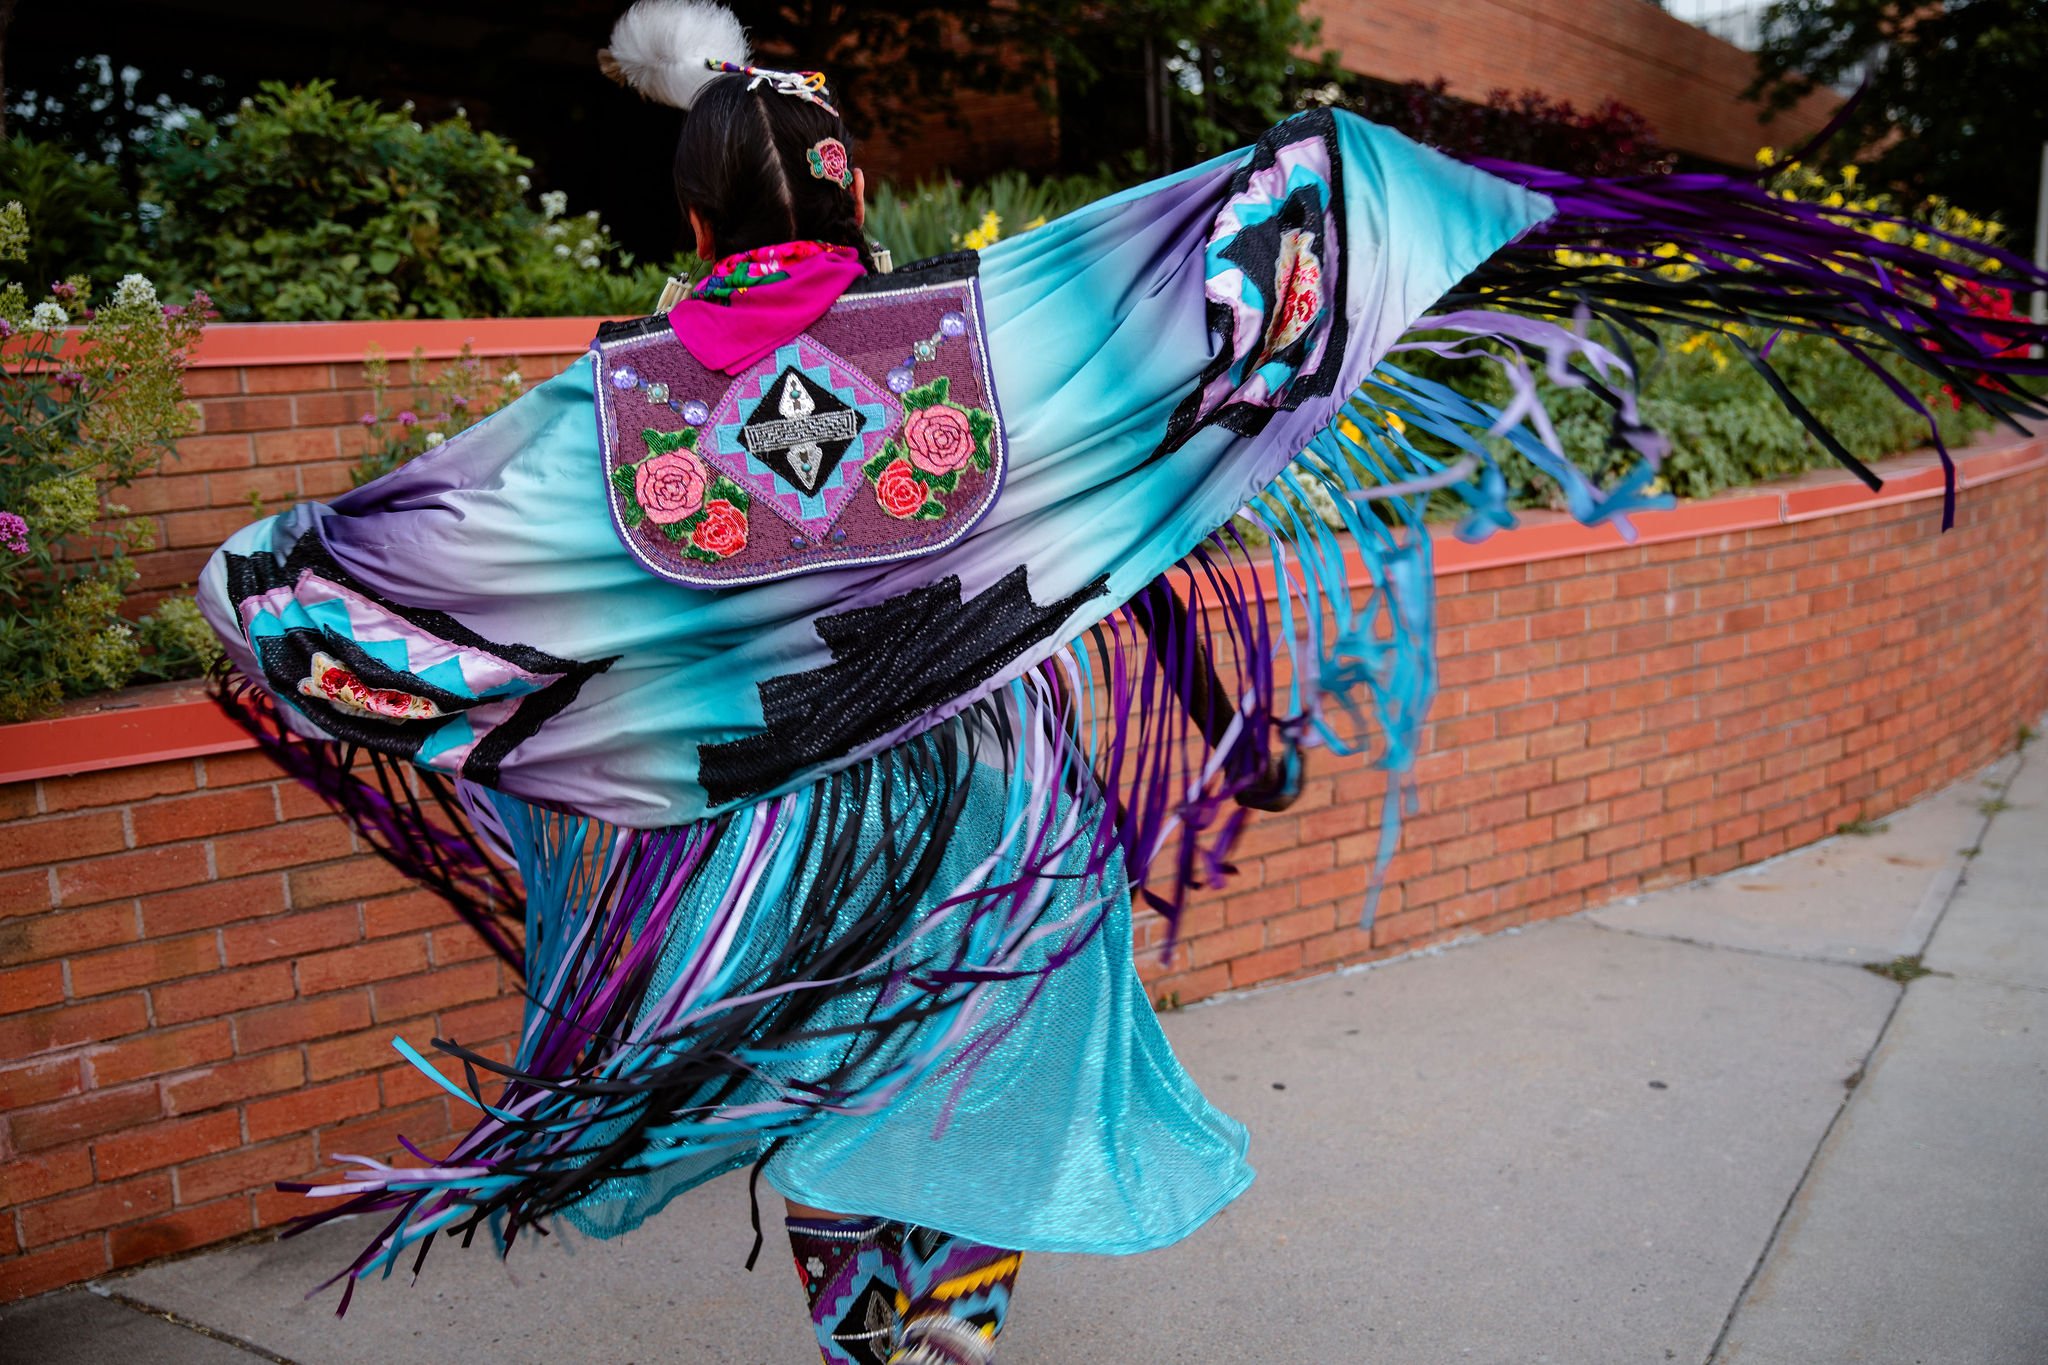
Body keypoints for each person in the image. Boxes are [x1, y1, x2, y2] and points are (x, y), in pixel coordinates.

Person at [196, 2, 2048, 1360]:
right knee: (976, 1069)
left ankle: (880, 1345)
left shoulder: (596, 417)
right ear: (856, 193)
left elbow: (333, 596)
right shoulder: (989, 333)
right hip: (993, 800)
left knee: (827, 1085)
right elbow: (1224, 303)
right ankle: (943, 1340)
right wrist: (1435, 191)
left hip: (765, 830)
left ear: (690, 224)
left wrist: (263, 580)